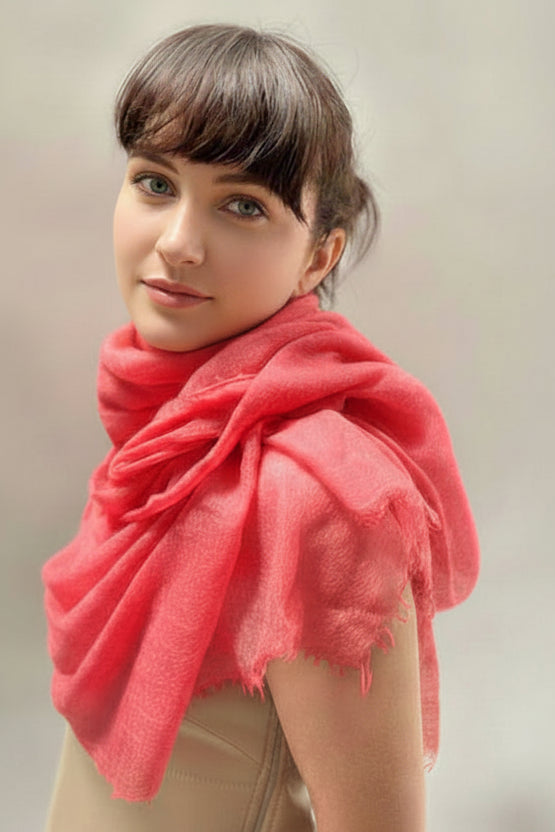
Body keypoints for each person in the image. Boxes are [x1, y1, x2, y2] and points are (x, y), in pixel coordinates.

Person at [42, 23, 479, 832]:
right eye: (154, 183)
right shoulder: (169, 431)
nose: (177, 244)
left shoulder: (322, 494)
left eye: (242, 205)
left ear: (318, 258)